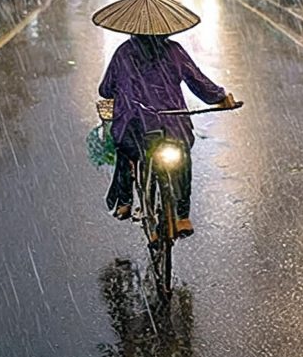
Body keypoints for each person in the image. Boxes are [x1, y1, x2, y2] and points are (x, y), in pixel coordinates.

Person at [98, 32, 236, 238]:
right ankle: (182, 216)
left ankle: (124, 201)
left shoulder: (124, 53)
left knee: (127, 152)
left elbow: (105, 90)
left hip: (135, 125)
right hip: (172, 123)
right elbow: (198, 81)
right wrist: (220, 97)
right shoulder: (174, 50)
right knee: (182, 158)